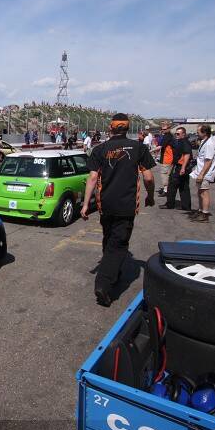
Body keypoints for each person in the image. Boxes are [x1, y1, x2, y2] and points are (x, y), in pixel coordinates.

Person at [80, 114, 155, 307]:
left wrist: (86, 204)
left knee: (109, 238)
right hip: (126, 205)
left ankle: (113, 270)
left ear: (110, 128)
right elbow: (148, 178)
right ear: (127, 128)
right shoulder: (139, 148)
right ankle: (104, 284)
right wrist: (150, 196)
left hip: (105, 205)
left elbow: (92, 178)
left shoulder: (100, 149)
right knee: (119, 244)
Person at [189, 124, 215, 222]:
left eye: (198, 132)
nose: (197, 134)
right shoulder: (204, 141)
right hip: (200, 171)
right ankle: (200, 210)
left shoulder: (209, 143)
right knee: (200, 192)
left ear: (205, 132)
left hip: (205, 172)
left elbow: (208, 160)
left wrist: (202, 174)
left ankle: (205, 214)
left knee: (204, 193)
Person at [160, 126, 192, 211]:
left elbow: (187, 154)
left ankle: (170, 204)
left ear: (183, 134)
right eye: (176, 134)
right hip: (181, 166)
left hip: (180, 167)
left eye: (178, 134)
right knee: (183, 186)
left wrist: (183, 168)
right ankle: (186, 206)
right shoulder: (180, 141)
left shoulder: (184, 142)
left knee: (172, 185)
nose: (176, 135)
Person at [157, 124, 174, 196]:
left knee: (164, 175)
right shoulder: (168, 136)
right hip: (167, 158)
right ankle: (166, 189)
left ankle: (166, 190)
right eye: (162, 129)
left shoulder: (167, 136)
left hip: (167, 159)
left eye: (164, 129)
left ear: (169, 129)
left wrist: (149, 151)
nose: (163, 130)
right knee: (167, 175)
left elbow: (160, 146)